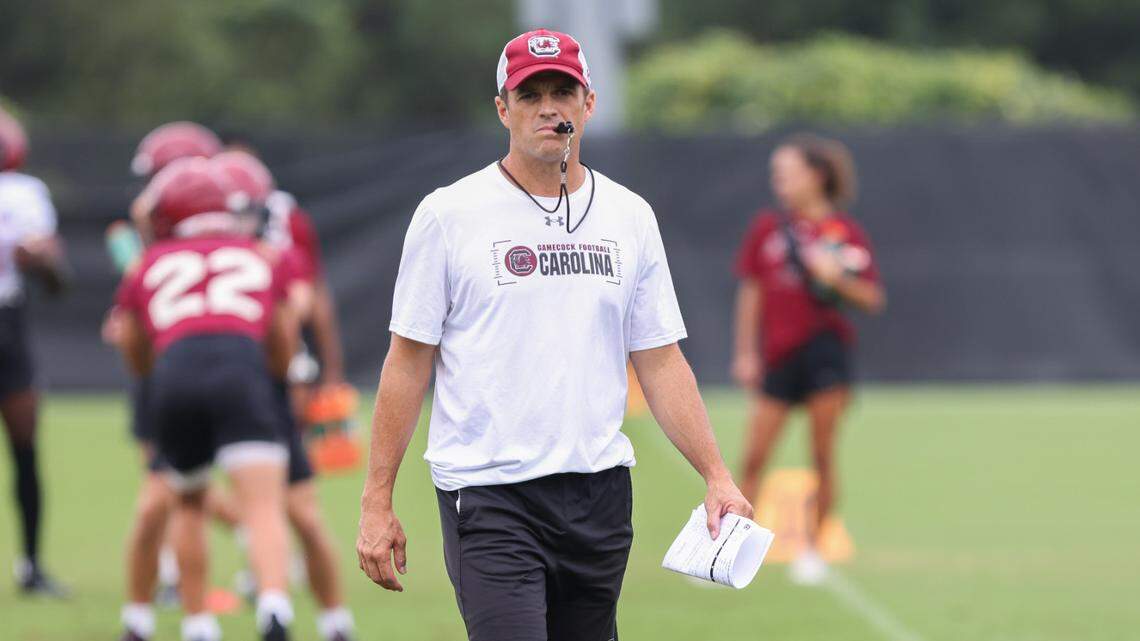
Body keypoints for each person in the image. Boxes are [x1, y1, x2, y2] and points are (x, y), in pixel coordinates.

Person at [357, 28, 751, 640]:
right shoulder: (449, 214)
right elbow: (407, 362)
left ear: (588, 103)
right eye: (530, 93)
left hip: (599, 495)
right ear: (502, 110)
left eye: (563, 91)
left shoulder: (630, 216)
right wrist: (376, 500)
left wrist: (716, 474)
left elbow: (661, 361)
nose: (549, 108)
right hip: (490, 495)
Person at [113, 158, 297, 641]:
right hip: (241, 369)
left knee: (188, 502)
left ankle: (198, 623)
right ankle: (274, 607)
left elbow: (133, 348)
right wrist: (271, 374)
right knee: (261, 505)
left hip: (175, 374)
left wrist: (161, 373)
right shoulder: (257, 257)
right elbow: (283, 340)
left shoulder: (148, 263)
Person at [212, 150, 355, 641]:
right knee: (185, 491)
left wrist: (303, 378)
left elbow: (295, 317)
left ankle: (333, 619)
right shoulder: (207, 258)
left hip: (267, 388)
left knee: (300, 511)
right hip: (224, 388)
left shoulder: (280, 256)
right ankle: (248, 588)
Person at [731, 134, 886, 585]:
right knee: (754, 457)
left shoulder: (843, 234)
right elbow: (752, 291)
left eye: (788, 171)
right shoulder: (767, 228)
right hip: (778, 355)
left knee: (821, 454)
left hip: (824, 353)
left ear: (816, 176)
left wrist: (835, 277)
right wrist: (745, 353)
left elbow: (872, 297)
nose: (779, 181)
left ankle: (815, 551)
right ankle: (728, 552)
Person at [0, 106, 71, 597]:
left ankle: (30, 565)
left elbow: (55, 279)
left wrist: (39, 257)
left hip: (7, 320)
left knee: (24, 444)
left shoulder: (24, 194)